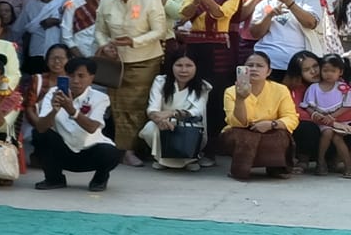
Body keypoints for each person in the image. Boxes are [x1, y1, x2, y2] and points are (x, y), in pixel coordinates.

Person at [97, 0, 168, 164]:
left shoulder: (150, 0)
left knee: (138, 106)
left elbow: (159, 31)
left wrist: (134, 41)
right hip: (116, 62)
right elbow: (100, 30)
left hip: (145, 60)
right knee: (119, 107)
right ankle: (124, 149)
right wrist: (105, 45)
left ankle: (138, 148)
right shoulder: (106, 0)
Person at [175, 0, 240, 147]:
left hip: (219, 49)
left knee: (217, 93)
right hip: (194, 48)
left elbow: (220, 14)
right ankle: (189, 141)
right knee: (192, 90)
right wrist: (196, 1)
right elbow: (183, 17)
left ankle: (213, 143)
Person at [32, 57, 119, 191]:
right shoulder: (53, 93)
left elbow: (92, 127)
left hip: (89, 151)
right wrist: (54, 110)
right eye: (71, 76)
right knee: (40, 135)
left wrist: (71, 110)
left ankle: (100, 179)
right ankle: (53, 179)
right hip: (62, 150)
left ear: (91, 78)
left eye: (81, 76)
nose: (76, 80)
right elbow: (40, 127)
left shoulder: (100, 98)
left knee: (111, 153)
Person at [220, 50, 298, 181]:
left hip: (270, 128)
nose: (254, 69)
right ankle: (241, 170)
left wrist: (271, 124)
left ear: (268, 71)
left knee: (281, 136)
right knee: (246, 138)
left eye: (260, 66)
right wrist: (240, 99)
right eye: (250, 65)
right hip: (241, 130)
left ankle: (276, 168)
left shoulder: (281, 90)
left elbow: (291, 117)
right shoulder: (231, 91)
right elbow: (236, 123)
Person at [141, 55, 211, 170]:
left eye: (189, 66)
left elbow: (197, 111)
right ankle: (161, 159)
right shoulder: (161, 81)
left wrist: (172, 113)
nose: (183, 70)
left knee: (194, 130)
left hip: (190, 124)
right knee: (150, 128)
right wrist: (159, 121)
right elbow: (152, 108)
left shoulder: (203, 86)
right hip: (163, 122)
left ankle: (191, 159)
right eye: (179, 65)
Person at [299, 54, 351, 176]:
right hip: (322, 122)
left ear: (340, 72)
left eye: (333, 71)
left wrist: (332, 117)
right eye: (325, 70)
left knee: (337, 138)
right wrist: (315, 114)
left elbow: (347, 105)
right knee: (327, 132)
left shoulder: (343, 88)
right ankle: (321, 161)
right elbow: (306, 105)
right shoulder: (314, 88)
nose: (329, 74)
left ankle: (348, 167)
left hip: (340, 122)